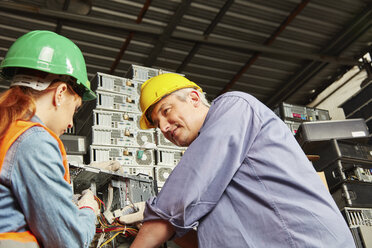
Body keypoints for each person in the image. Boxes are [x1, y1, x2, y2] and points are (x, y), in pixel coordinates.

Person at [121, 73, 356, 247]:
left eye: (166, 111)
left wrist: (156, 218)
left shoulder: (234, 106)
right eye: (156, 123)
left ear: (193, 98)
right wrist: (169, 231)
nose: (163, 127)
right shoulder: (210, 165)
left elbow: (177, 201)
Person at [0, 30, 99, 248]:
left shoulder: (7, 130)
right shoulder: (34, 141)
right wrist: (88, 209)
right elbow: (68, 241)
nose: (72, 123)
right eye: (75, 109)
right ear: (60, 93)